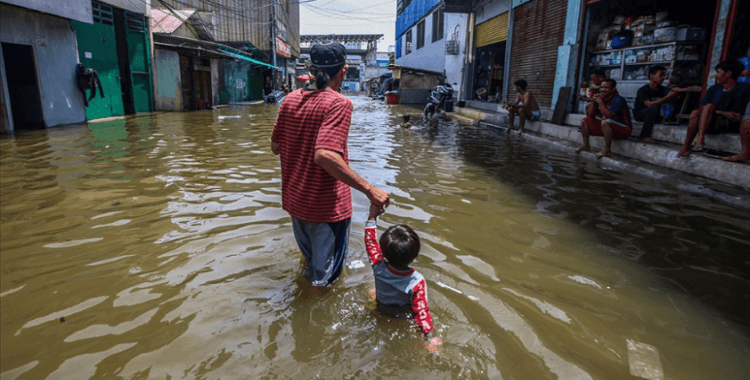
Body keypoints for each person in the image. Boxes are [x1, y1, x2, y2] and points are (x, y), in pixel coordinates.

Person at [271, 40, 389, 287]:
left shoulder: (290, 101)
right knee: (324, 282)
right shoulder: (338, 103)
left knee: (312, 265)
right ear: (344, 70)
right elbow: (324, 155)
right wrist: (371, 190)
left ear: (311, 71)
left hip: (296, 203)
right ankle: (312, 324)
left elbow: (276, 147)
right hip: (326, 210)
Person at [365, 203, 436, 340]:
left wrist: (372, 217)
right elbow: (421, 312)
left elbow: (370, 243)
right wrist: (429, 337)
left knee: (372, 292)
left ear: (383, 252)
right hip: (403, 315)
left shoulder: (378, 265)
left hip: (381, 309)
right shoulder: (417, 281)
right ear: (415, 254)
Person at [677, 59, 750, 157]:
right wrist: (719, 112)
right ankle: (686, 147)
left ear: (728, 73)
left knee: (709, 107)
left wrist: (719, 112)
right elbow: (702, 110)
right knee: (696, 112)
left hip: (731, 123)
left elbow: (741, 116)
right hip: (711, 121)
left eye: (719, 72)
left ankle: (699, 140)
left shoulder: (744, 89)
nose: (716, 75)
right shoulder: (714, 89)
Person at [574, 78, 633, 158]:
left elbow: (609, 115)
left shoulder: (619, 99)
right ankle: (586, 145)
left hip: (624, 130)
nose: (602, 90)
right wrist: (593, 102)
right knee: (585, 120)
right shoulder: (602, 98)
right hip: (608, 129)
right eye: (601, 87)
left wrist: (600, 102)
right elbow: (591, 115)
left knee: (606, 121)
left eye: (606, 88)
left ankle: (607, 150)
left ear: (613, 89)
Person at [633, 66, 680, 143]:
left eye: (664, 76)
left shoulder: (662, 89)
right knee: (653, 108)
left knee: (672, 100)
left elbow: (673, 90)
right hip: (641, 114)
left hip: (656, 114)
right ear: (652, 75)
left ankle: (666, 119)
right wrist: (667, 97)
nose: (663, 78)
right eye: (661, 75)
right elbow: (649, 104)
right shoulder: (643, 90)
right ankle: (645, 136)